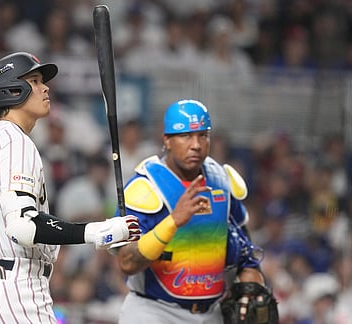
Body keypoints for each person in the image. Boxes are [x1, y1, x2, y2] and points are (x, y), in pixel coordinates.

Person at [0, 52, 141, 324]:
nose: (45, 87)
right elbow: (23, 226)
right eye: (35, 80)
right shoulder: (15, 142)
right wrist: (98, 231)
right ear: (12, 89)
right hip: (12, 288)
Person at [111, 99, 273, 323]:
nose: (195, 144)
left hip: (211, 312)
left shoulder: (221, 180)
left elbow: (245, 245)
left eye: (202, 135)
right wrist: (173, 221)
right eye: (186, 136)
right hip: (153, 312)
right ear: (167, 140)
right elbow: (127, 263)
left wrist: (251, 277)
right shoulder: (146, 186)